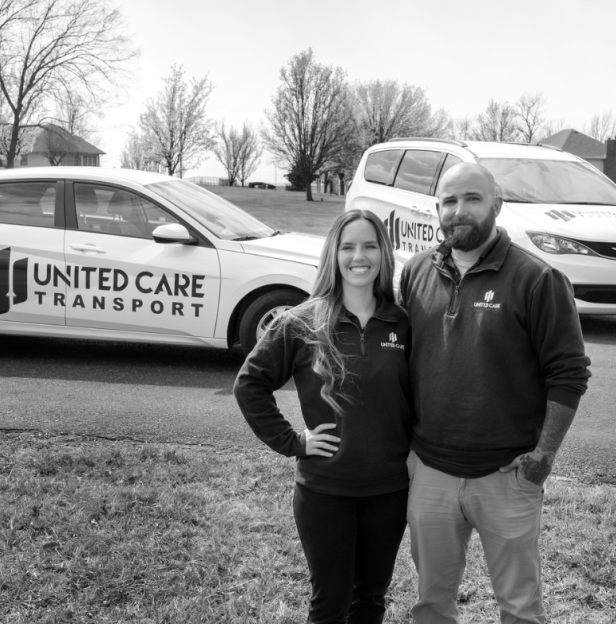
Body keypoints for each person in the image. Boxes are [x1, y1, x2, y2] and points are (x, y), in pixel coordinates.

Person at [399, 163, 591, 624]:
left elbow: (569, 372)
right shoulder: (415, 273)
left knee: (520, 608)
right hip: (430, 473)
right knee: (431, 603)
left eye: (472, 198)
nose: (459, 211)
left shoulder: (537, 279)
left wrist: (543, 455)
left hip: (506, 476)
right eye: (449, 201)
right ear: (437, 210)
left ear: (497, 205)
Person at [234, 209, 412, 624]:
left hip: (389, 490)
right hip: (325, 490)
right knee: (329, 603)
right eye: (348, 246)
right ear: (333, 255)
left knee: (370, 599)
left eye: (370, 245)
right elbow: (250, 385)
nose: (359, 256)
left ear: (384, 254)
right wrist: (293, 441)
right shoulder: (301, 322)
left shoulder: (402, 323)